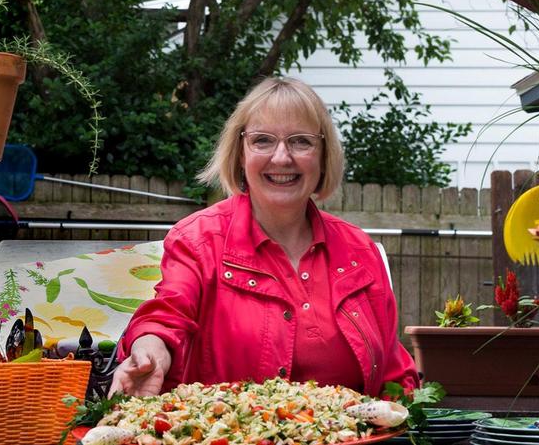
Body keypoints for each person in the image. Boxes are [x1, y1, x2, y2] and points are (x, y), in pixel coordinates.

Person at [110, 77, 419, 397]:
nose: (282, 157)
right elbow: (167, 315)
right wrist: (150, 350)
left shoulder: (360, 251)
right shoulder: (198, 241)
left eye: (301, 141)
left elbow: (394, 373)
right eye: (262, 140)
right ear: (241, 153)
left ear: (323, 155)